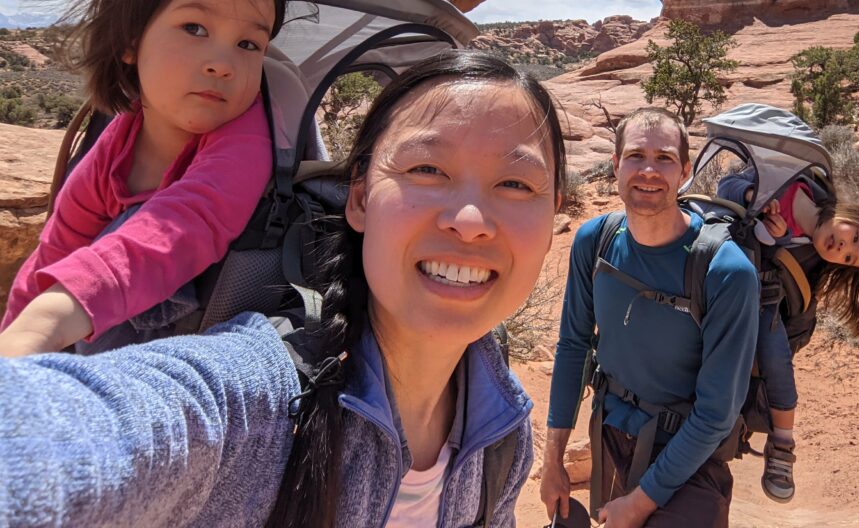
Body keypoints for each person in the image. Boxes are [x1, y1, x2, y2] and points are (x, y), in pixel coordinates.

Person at [0, 51, 566, 528]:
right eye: (427, 170)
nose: (469, 220)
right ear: (361, 198)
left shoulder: (501, 430)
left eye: (515, 183)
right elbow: (67, 437)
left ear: (554, 217)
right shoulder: (254, 404)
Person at [0, 0, 301, 356]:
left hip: (213, 353)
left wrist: (46, 322)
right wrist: (16, 338)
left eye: (248, 44)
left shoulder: (250, 134)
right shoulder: (118, 140)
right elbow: (57, 246)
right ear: (130, 41)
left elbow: (186, 222)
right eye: (195, 27)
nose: (222, 63)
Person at [541, 107, 759, 528]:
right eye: (636, 156)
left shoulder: (725, 272)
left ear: (685, 172)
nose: (648, 171)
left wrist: (640, 502)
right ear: (616, 164)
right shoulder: (595, 240)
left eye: (664, 159)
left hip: (688, 458)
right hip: (611, 439)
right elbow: (573, 347)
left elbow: (716, 413)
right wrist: (554, 461)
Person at [717, 167, 859, 503]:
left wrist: (775, 237)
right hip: (716, 263)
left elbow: (773, 253)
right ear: (851, 214)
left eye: (848, 258)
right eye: (854, 237)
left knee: (775, 355)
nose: (843, 247)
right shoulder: (797, 177)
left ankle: (782, 443)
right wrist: (750, 196)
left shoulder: (806, 251)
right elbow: (726, 186)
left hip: (759, 297)